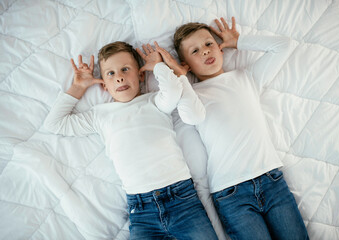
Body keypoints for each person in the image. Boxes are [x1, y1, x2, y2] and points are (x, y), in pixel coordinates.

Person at [43, 41, 218, 239]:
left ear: (141, 75)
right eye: (111, 74)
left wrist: (158, 66)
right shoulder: (99, 115)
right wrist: (78, 87)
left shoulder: (154, 102)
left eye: (125, 69)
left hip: (181, 199)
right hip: (142, 210)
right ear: (105, 86)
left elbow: (173, 90)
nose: (119, 78)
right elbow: (55, 124)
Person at [162, 17, 309, 239]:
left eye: (209, 44)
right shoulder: (193, 95)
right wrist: (182, 79)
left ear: (220, 48)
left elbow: (283, 45)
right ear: (186, 64)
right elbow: (191, 116)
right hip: (231, 193)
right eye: (195, 51)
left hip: (272, 181)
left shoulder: (246, 77)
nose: (204, 52)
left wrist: (238, 41)